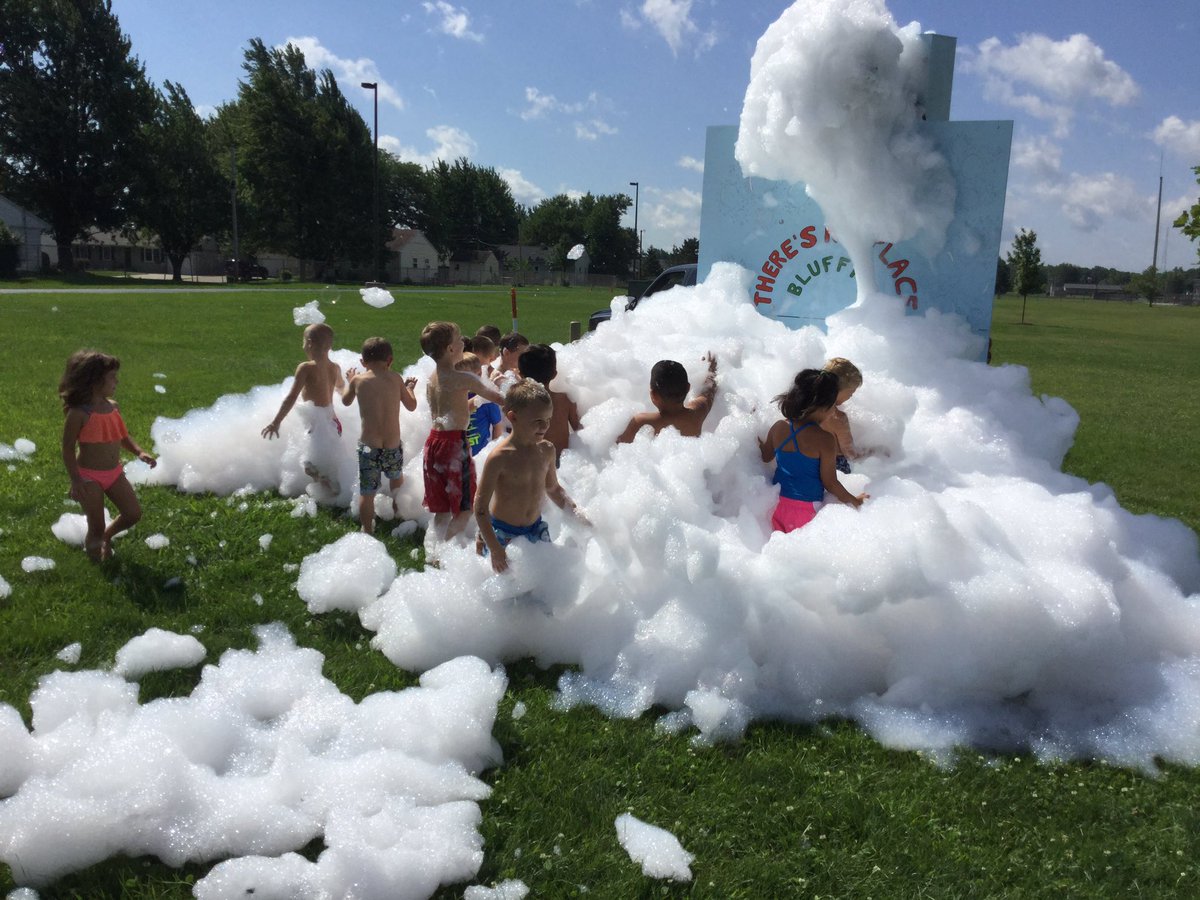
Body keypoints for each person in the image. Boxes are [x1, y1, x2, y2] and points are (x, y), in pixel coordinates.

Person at [475, 379, 589, 574]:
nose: (544, 426)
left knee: (543, 583)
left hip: (535, 530)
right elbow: (480, 506)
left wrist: (576, 513)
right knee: (507, 589)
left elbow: (553, 489)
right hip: (503, 533)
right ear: (513, 417)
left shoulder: (546, 450)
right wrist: (493, 546)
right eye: (537, 421)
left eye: (548, 420)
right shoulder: (500, 457)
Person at [59, 350, 157, 562]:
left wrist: (139, 451)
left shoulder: (113, 407)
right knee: (96, 524)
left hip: (113, 473)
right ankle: (97, 565)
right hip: (88, 477)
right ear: (95, 381)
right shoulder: (79, 414)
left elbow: (121, 436)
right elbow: (67, 448)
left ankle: (107, 536)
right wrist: (76, 480)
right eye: (112, 377)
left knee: (133, 513)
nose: (117, 381)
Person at [421, 321, 505, 550]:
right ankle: (443, 551)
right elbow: (496, 397)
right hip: (453, 446)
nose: (463, 343)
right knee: (466, 508)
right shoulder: (462, 378)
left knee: (442, 508)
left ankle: (432, 548)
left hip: (433, 443)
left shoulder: (432, 377)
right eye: (459, 340)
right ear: (450, 349)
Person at [758, 368, 867, 533]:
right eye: (832, 406)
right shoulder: (825, 439)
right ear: (822, 407)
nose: (833, 411)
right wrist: (855, 501)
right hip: (808, 512)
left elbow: (766, 456)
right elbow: (830, 483)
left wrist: (756, 440)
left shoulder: (778, 427)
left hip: (777, 506)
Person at [340, 337, 418, 534]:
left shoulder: (358, 380)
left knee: (367, 492)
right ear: (390, 360)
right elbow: (411, 405)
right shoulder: (396, 378)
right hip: (392, 445)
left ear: (362, 362)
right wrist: (409, 388)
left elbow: (346, 401)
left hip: (368, 446)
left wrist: (350, 382)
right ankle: (397, 513)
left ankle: (367, 528)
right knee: (396, 480)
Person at [261, 323, 345, 493]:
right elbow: (342, 388)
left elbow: (291, 397)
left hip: (317, 424)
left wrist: (276, 421)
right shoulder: (335, 367)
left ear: (309, 343)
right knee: (326, 459)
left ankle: (329, 492)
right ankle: (334, 486)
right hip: (333, 422)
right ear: (329, 346)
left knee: (310, 465)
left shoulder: (306, 368)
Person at [617, 353, 718, 443]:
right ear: (688, 388)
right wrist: (711, 370)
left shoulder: (641, 422)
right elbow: (708, 394)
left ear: (653, 395)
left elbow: (618, 446)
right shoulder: (697, 413)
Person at [518, 343, 582, 463]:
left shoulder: (519, 403)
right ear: (554, 374)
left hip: (531, 465)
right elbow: (579, 430)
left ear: (521, 375)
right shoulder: (566, 399)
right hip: (562, 462)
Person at [820, 357, 864, 474]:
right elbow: (850, 453)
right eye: (851, 391)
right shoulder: (838, 418)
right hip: (835, 468)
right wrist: (874, 452)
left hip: (811, 464)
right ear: (837, 390)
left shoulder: (804, 410)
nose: (851, 395)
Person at [456, 352, 504, 456]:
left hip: (479, 455)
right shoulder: (456, 397)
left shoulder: (487, 400)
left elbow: (498, 427)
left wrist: (492, 452)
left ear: (478, 375)